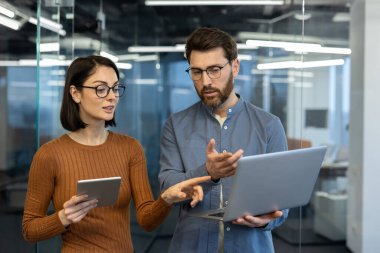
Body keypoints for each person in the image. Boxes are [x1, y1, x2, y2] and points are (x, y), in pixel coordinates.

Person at [22, 55, 210, 253]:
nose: (112, 96)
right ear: (75, 93)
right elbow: (29, 230)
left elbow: (146, 221)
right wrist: (63, 217)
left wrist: (167, 199)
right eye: (101, 89)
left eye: (115, 88)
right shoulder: (49, 155)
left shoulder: (130, 148)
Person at [158, 27, 289, 252]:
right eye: (196, 72)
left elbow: (283, 201)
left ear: (235, 67)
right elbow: (166, 187)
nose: (205, 81)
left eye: (215, 70)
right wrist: (208, 173)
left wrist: (266, 220)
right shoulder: (176, 125)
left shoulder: (269, 125)